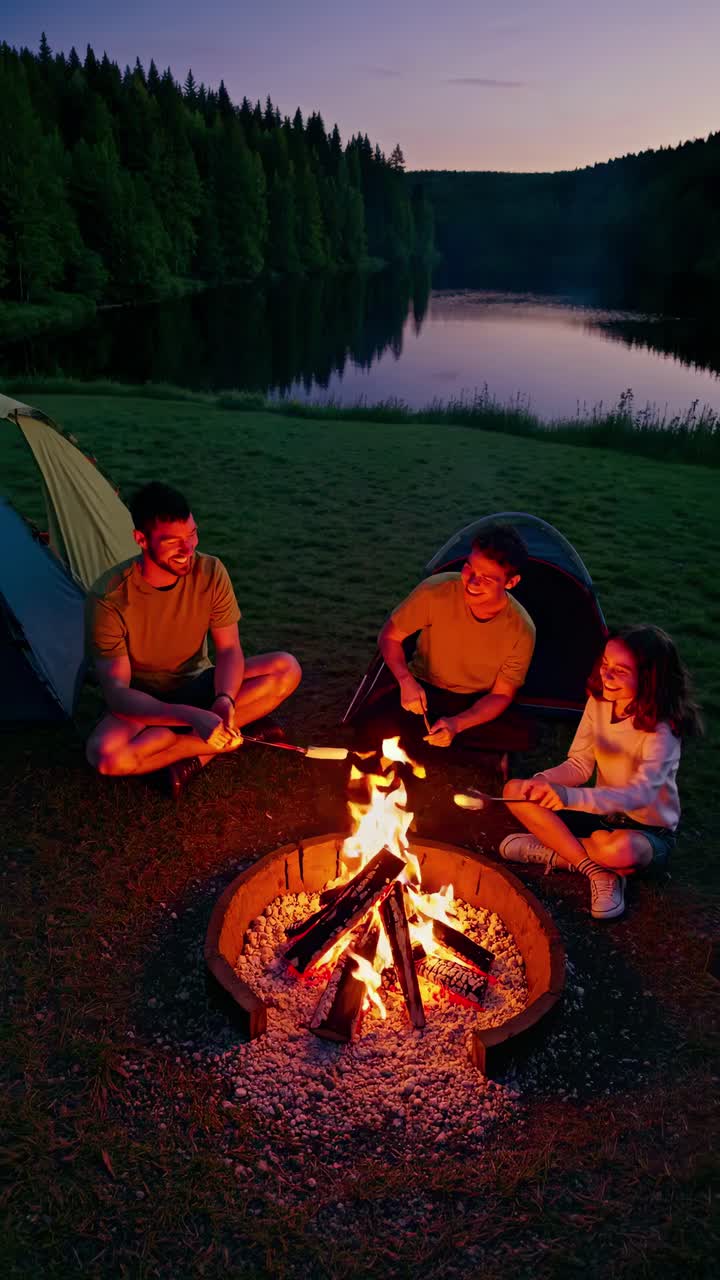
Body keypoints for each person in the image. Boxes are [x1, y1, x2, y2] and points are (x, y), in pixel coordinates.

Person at [85, 482, 301, 796]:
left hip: (199, 682)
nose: (188, 551)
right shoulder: (109, 597)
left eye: (192, 535)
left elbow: (228, 650)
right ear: (141, 540)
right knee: (105, 755)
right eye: (173, 542)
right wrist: (191, 716)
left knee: (286, 668)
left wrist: (224, 699)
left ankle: (199, 744)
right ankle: (220, 742)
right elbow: (117, 693)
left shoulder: (210, 572)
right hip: (146, 699)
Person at [499, 625, 702, 920]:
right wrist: (543, 782)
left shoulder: (663, 729)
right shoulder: (600, 701)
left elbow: (639, 795)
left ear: (648, 679)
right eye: (605, 664)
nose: (606, 676)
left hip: (645, 831)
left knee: (621, 851)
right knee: (515, 792)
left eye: (620, 671)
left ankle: (555, 850)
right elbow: (580, 764)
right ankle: (597, 871)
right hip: (600, 816)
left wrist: (568, 797)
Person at [364, 522, 535, 752]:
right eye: (470, 568)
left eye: (487, 579)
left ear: (511, 582)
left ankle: (447, 742)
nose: (472, 582)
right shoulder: (435, 591)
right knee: (373, 724)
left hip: (474, 700)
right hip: (423, 688)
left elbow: (501, 695)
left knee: (521, 735)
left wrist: (457, 724)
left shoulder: (521, 629)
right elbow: (390, 636)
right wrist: (405, 680)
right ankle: (467, 752)